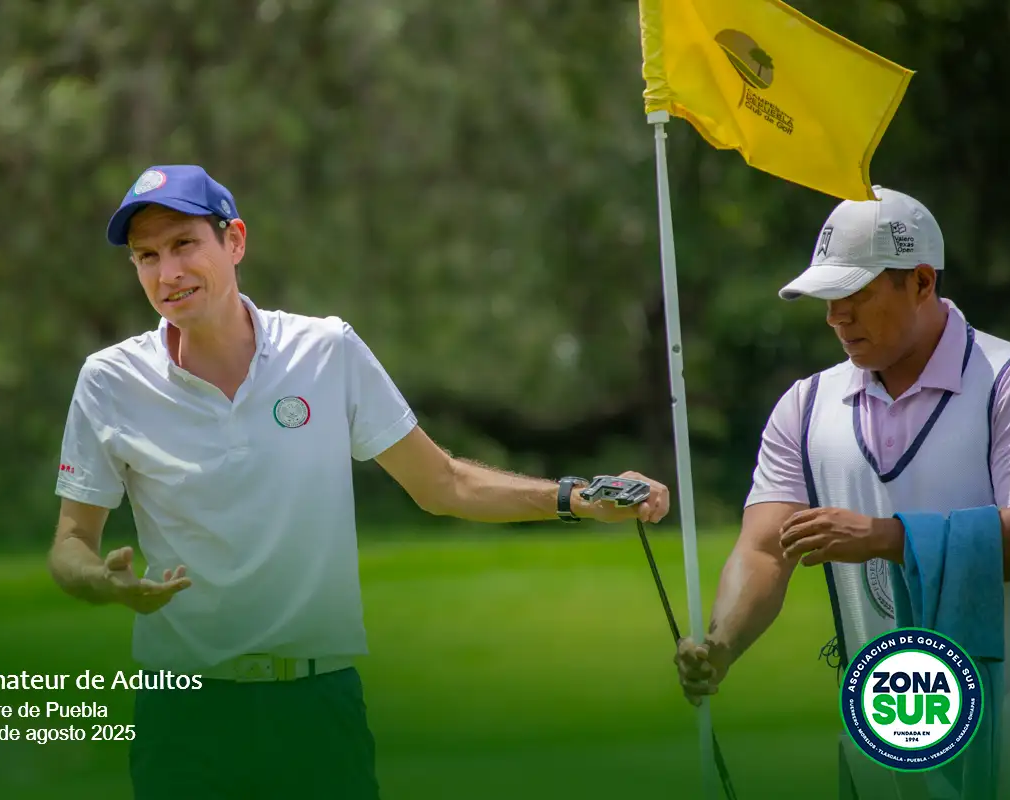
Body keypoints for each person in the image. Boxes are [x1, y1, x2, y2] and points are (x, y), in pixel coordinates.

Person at [46, 164, 672, 800]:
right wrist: (100, 581)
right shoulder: (110, 380)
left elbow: (443, 483)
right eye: (147, 256)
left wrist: (575, 498)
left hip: (317, 707)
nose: (168, 272)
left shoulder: (325, 350)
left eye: (184, 244)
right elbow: (71, 542)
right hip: (181, 716)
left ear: (234, 241)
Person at [672, 186, 1010, 797]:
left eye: (856, 295)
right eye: (829, 299)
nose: (836, 317)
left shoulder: (1005, 383)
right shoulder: (805, 405)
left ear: (921, 281)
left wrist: (886, 538)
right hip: (881, 732)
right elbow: (765, 548)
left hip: (1005, 730)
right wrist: (721, 644)